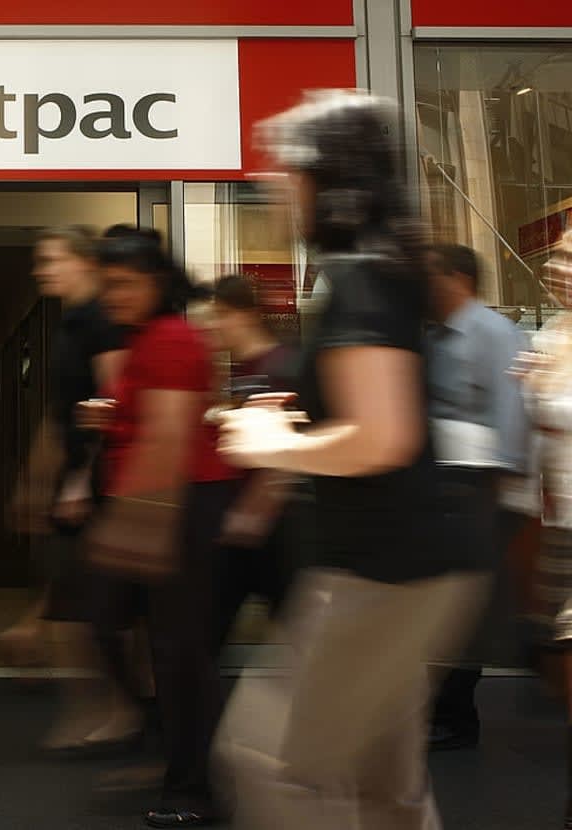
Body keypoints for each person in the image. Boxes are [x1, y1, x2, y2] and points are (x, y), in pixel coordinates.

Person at [213, 90, 488, 829]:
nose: (272, 181)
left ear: (327, 179)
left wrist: (281, 445)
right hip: (408, 564)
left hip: (383, 570)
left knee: (278, 766)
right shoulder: (382, 267)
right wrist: (301, 421)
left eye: (285, 168)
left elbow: (381, 437)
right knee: (381, 785)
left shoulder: (362, 278)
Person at [79, 232, 239, 827]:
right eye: (107, 283)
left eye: (124, 283)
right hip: (162, 502)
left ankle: (192, 788)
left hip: (179, 505)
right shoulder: (148, 338)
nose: (112, 294)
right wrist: (113, 415)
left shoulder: (171, 337)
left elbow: (170, 437)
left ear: (157, 282)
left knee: (179, 653)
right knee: (123, 630)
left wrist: (139, 525)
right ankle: (172, 749)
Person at [6, 225, 129, 752]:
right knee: (77, 599)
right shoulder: (72, 323)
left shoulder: (102, 321)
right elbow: (59, 416)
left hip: (98, 484)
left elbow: (115, 404)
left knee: (81, 607)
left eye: (50, 259)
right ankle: (108, 707)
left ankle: (112, 710)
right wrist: (36, 482)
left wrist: (82, 479)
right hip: (77, 483)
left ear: (84, 261)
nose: (41, 269)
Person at [424, 243, 532, 751]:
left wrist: (503, 491)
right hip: (445, 485)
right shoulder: (435, 334)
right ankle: (443, 709)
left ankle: (457, 716)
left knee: (464, 605)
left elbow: (511, 411)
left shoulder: (491, 331)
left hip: (478, 485)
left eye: (431, 275)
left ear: (456, 278)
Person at [206, 275, 301, 652]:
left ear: (246, 315)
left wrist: (251, 513)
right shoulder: (239, 371)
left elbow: (286, 452)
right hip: (245, 524)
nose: (214, 325)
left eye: (220, 315)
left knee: (296, 633)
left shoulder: (281, 365)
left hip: (272, 527)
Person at [518, 229, 572, 828]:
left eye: (569, 259)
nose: (558, 268)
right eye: (557, 257)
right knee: (551, 657)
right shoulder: (553, 332)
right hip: (560, 523)